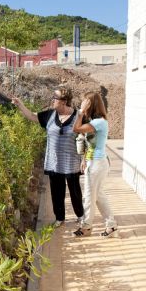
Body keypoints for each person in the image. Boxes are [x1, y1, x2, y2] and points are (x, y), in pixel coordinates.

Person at [12, 87, 84, 228]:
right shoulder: (50, 115)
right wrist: (20, 105)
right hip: (54, 162)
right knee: (56, 192)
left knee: (75, 191)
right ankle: (60, 218)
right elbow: (33, 116)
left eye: (55, 98)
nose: (52, 100)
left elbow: (87, 136)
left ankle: (80, 215)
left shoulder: (78, 116)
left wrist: (86, 158)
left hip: (71, 162)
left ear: (63, 101)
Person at [72, 91, 118, 237]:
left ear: (91, 104)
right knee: (98, 196)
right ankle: (111, 227)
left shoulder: (99, 122)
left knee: (89, 196)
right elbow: (89, 143)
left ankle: (86, 227)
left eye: (86, 101)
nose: (83, 103)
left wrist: (80, 112)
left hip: (97, 164)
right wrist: (84, 159)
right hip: (94, 162)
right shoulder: (95, 121)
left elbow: (76, 129)